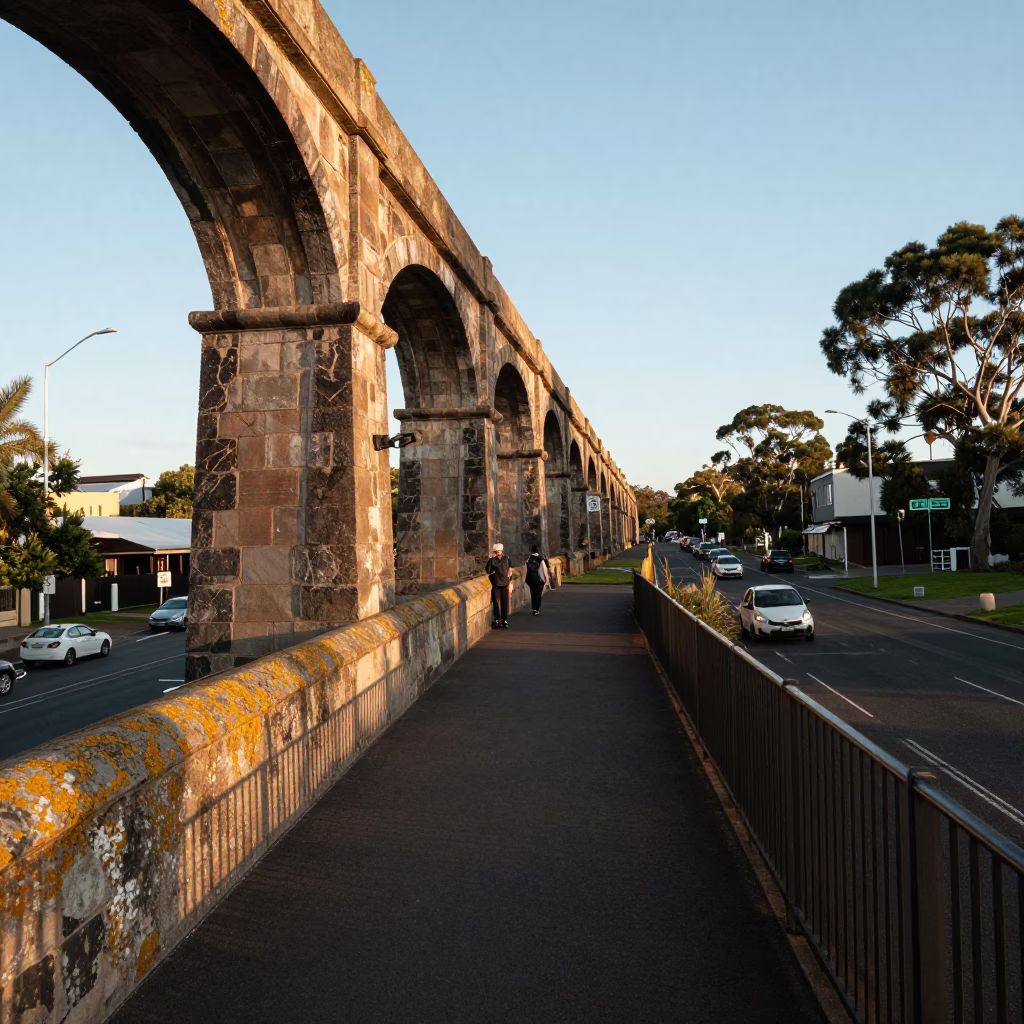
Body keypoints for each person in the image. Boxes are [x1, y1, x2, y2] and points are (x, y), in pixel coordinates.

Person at [485, 542, 516, 628]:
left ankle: (497, 619)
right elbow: (510, 571)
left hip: (496, 583)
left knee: (496, 602)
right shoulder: (507, 559)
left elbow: (488, 570)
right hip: (505, 583)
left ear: (495, 551)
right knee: (504, 602)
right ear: (501, 551)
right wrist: (510, 581)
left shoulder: (492, 560)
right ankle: (504, 620)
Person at [525, 544, 550, 615]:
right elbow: (544, 570)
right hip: (539, 579)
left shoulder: (528, 559)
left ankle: (534, 608)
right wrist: (547, 580)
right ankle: (536, 608)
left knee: (533, 593)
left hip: (530, 579)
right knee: (538, 594)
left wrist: (524, 579)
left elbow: (525, 569)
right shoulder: (541, 559)